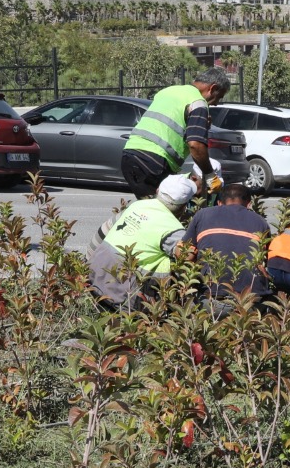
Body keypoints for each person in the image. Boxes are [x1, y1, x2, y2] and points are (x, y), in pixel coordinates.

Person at [87, 175, 198, 309]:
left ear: (158, 191)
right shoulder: (173, 228)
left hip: (96, 278)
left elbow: (103, 232)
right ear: (184, 206)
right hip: (124, 294)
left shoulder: (138, 205)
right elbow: (187, 256)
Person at [121, 67, 231, 198]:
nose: (217, 104)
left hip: (130, 153)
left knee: (148, 208)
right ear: (212, 89)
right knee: (161, 210)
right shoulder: (198, 103)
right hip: (154, 161)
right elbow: (195, 145)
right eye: (219, 97)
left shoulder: (169, 91)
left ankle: (119, 218)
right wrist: (210, 176)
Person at [185, 183, 270, 305]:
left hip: (209, 296)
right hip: (250, 300)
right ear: (249, 204)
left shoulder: (202, 214)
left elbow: (186, 255)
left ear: (219, 203)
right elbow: (264, 261)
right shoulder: (261, 222)